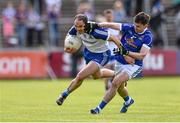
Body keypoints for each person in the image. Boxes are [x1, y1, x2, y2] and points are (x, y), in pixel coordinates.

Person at [90, 12, 153, 114]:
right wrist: (98, 25)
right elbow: (112, 25)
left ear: (146, 25)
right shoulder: (130, 28)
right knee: (120, 87)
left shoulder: (147, 36)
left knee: (115, 82)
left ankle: (98, 108)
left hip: (133, 65)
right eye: (135, 25)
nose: (135, 28)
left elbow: (142, 55)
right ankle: (128, 100)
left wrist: (127, 53)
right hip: (120, 61)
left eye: (138, 26)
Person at [56, 14, 122, 106]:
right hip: (89, 53)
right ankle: (117, 75)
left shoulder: (96, 31)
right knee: (96, 76)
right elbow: (69, 36)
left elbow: (114, 38)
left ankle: (63, 95)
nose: (78, 29)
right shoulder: (75, 28)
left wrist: (124, 52)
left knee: (80, 76)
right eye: (76, 26)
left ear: (86, 25)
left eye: (80, 26)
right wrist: (66, 47)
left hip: (101, 55)